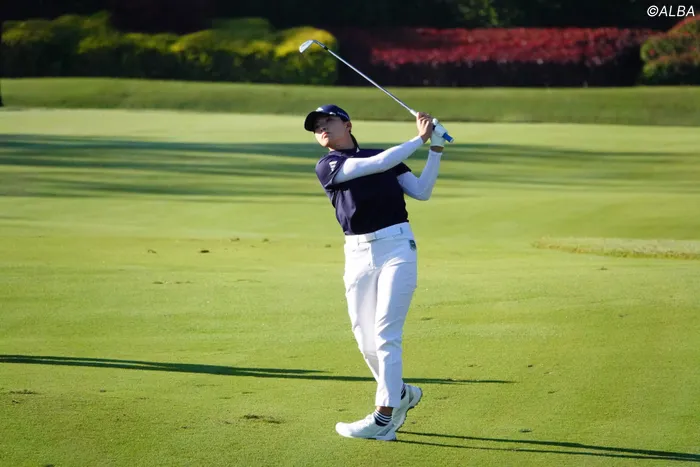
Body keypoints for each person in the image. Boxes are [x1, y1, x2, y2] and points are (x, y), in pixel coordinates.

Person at [304, 104, 445, 441]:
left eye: (328, 121)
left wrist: (436, 148)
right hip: (356, 254)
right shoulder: (329, 165)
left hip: (397, 248)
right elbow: (378, 164)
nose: (322, 128)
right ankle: (401, 394)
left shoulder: (386, 157)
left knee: (385, 334)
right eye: (316, 127)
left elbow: (422, 191)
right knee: (365, 339)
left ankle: (383, 417)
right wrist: (420, 139)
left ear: (348, 125)